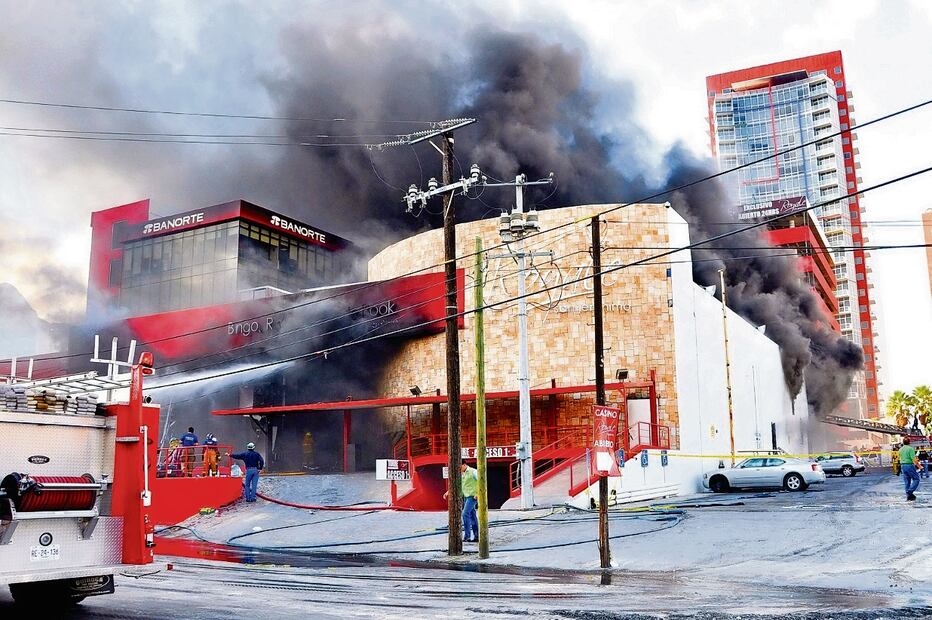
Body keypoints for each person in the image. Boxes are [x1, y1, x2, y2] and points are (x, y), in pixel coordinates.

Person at [443, 460, 479, 543]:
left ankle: (467, 536)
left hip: (473, 496)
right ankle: (476, 536)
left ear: (464, 465)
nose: (458, 468)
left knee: (465, 513)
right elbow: (457, 485)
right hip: (466, 496)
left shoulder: (473, 471)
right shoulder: (462, 474)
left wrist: (478, 493)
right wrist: (448, 492)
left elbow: (481, 481)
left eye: (460, 466)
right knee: (472, 516)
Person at [898, 437, 921, 501]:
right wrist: (919, 466)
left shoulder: (900, 449)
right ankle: (909, 492)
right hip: (909, 465)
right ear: (909, 442)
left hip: (903, 466)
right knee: (916, 479)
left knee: (907, 481)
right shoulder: (910, 449)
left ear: (903, 442)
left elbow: (899, 458)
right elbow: (914, 459)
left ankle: (909, 496)